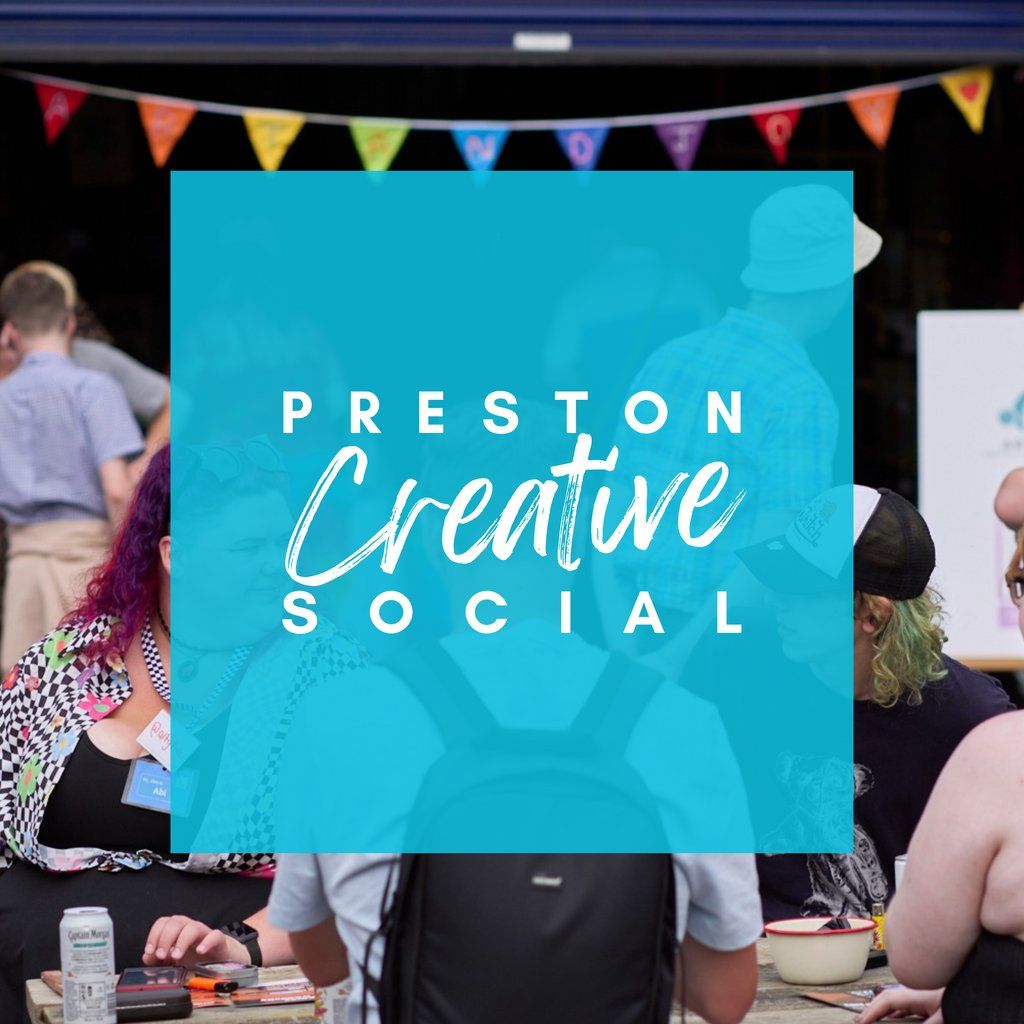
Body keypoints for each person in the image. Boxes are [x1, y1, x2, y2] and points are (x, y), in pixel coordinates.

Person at [265, 404, 763, 1024]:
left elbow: (323, 960)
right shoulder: (682, 721)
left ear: (429, 533)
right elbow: (724, 996)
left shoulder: (337, 714)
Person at [0, 444, 365, 1021]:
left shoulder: (327, 672)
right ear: (175, 555)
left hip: (226, 995)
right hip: (32, 981)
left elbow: (354, 875)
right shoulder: (70, 659)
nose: (279, 564)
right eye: (249, 547)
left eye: (285, 543)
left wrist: (238, 948)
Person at [594, 186, 881, 669]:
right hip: (723, 651)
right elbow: (771, 557)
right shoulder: (799, 393)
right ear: (834, 282)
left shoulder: (669, 359)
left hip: (634, 631)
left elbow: (609, 515)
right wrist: (674, 660)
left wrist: (623, 648)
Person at [722, 485, 1014, 921]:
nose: (775, 598)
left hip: (899, 956)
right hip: (763, 948)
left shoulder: (973, 721)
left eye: (800, 588)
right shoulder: (745, 675)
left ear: (873, 615)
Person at [0, 269, 143, 672]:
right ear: (69, 322)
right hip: (84, 563)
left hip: (24, 563)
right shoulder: (95, 388)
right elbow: (117, 490)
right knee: (92, 681)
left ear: (11, 332)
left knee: (23, 687)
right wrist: (129, 572)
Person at [0, 260, 170, 450]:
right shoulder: (98, 384)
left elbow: (173, 403)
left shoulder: (95, 366)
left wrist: (147, 463)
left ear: (69, 318)